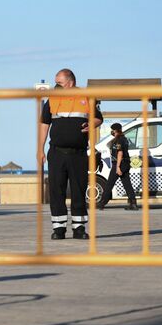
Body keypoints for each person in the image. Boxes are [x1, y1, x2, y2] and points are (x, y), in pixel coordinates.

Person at [39, 68, 103, 240]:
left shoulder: (86, 97)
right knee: (56, 191)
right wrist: (40, 150)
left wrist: (92, 124)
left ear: (70, 82)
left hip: (79, 154)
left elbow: (98, 118)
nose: (56, 85)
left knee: (78, 190)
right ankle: (58, 229)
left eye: (59, 82)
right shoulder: (51, 99)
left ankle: (79, 228)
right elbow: (44, 125)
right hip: (56, 153)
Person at [99, 123, 138, 211]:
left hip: (119, 164)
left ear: (115, 130)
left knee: (109, 184)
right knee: (127, 184)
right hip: (125, 163)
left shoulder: (119, 140)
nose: (111, 131)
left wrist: (118, 167)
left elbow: (120, 153)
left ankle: (102, 203)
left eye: (112, 129)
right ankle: (133, 203)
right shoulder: (123, 139)